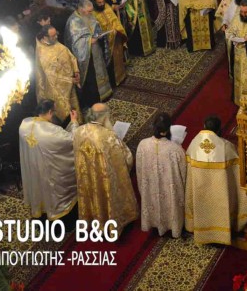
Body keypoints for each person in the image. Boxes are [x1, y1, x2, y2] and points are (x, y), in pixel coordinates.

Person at [185, 116, 247, 245]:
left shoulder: (194, 145)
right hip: (220, 192)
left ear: (204, 127)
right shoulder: (226, 147)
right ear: (219, 130)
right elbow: (238, 170)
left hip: (200, 192)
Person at [73, 103, 138, 236]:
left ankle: (93, 220)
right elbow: (127, 158)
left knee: (92, 195)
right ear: (104, 117)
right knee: (107, 197)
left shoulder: (79, 131)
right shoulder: (108, 136)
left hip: (87, 176)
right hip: (104, 178)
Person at [19, 99, 79, 221]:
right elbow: (72, 139)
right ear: (50, 112)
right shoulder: (52, 131)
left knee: (39, 189)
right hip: (49, 170)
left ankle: (40, 211)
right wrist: (74, 122)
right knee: (52, 191)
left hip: (33, 167)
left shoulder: (24, 124)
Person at [136, 113, 186, 237]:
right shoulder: (176, 149)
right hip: (170, 191)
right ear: (169, 129)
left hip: (150, 189)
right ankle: (173, 226)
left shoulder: (143, 144)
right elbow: (184, 173)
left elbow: (139, 170)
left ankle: (153, 222)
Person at [64, 0, 113, 109]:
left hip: (95, 50)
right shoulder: (73, 22)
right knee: (91, 78)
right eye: (89, 11)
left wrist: (99, 34)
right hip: (85, 55)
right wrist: (89, 40)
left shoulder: (89, 15)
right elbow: (74, 43)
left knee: (100, 70)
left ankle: (104, 93)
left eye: (91, 11)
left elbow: (94, 26)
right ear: (81, 9)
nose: (91, 13)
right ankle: (93, 100)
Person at [36, 25, 82, 124]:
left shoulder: (55, 43)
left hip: (69, 83)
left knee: (74, 106)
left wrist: (76, 71)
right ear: (45, 37)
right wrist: (70, 80)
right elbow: (51, 76)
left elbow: (70, 56)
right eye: (53, 36)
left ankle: (77, 123)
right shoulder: (42, 53)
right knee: (65, 111)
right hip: (57, 89)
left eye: (56, 34)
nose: (56, 37)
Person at [92, 0, 128, 87]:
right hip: (106, 43)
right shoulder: (92, 14)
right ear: (94, 2)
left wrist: (118, 30)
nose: (102, 4)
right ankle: (113, 82)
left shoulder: (107, 6)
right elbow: (96, 31)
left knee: (119, 58)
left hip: (116, 37)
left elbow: (115, 20)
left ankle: (121, 76)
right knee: (110, 64)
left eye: (103, 2)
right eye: (99, 3)